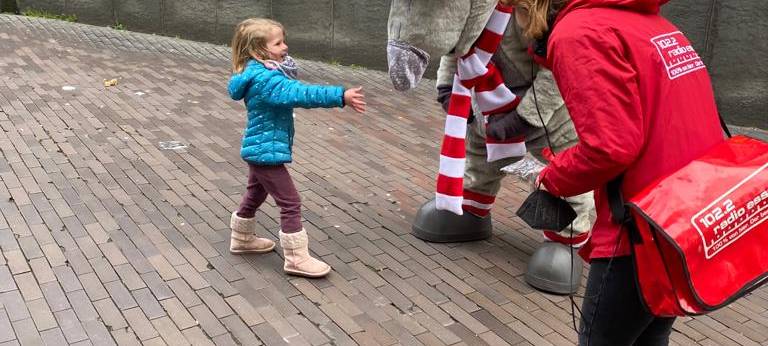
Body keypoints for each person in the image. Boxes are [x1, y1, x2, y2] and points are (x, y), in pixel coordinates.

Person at [504, 0, 725, 344]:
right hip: (683, 219)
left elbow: (610, 147)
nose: (515, 25)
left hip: (641, 228)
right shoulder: (649, 24)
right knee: (650, 337)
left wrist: (552, 175)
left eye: (515, 9)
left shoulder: (578, 34)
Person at [227, 18, 366, 278]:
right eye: (278, 43)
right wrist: (341, 96)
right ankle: (296, 258)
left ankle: (241, 237)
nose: (285, 46)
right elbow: (302, 94)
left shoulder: (257, 71)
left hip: (260, 149)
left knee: (255, 194)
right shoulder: (268, 80)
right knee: (290, 202)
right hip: (265, 152)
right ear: (259, 51)